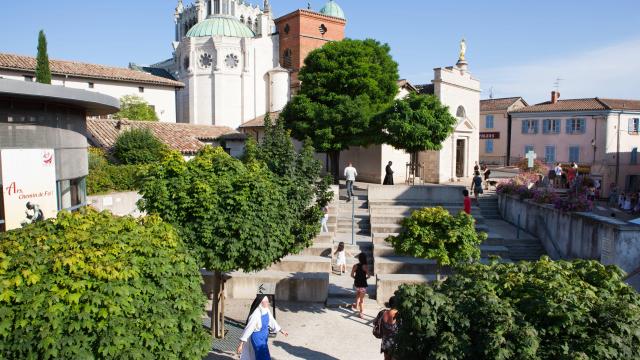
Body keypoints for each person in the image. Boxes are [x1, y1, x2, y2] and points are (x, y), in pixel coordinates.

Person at [237, 296, 288, 360]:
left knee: (265, 353)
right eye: (266, 302)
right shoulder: (255, 314)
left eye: (268, 301)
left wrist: (281, 330)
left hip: (264, 337)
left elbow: (272, 321)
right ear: (261, 303)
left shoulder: (266, 310)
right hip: (257, 338)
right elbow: (248, 328)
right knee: (261, 355)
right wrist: (241, 343)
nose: (268, 303)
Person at [380, 296, 400, 360]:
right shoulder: (399, 315)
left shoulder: (383, 313)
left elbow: (375, 322)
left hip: (385, 342)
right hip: (395, 344)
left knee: (386, 359)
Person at [351, 253, 370, 319]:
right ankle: (361, 313)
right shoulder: (366, 267)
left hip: (356, 284)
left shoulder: (355, 266)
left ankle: (356, 306)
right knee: (362, 300)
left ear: (359, 259)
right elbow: (369, 276)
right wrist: (364, 279)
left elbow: (352, 275)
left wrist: (356, 278)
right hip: (363, 285)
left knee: (357, 294)